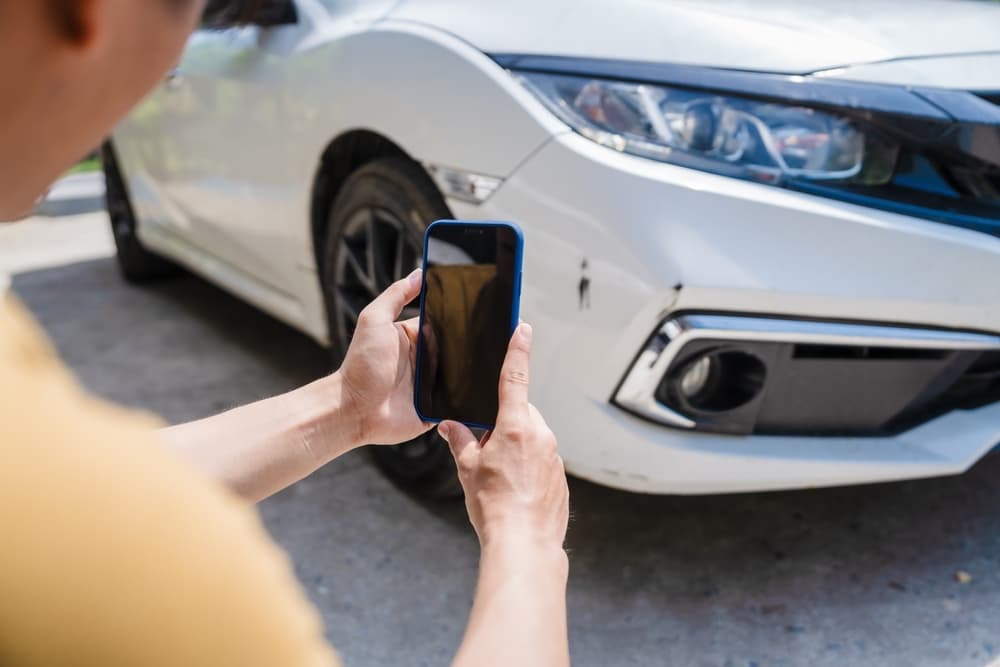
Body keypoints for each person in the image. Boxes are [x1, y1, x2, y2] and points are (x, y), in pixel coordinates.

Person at [0, 1, 570, 665]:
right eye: (188, 11)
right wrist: (526, 542)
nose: (174, 70)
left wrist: (347, 410)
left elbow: (84, 494)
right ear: (94, 11)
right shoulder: (156, 591)